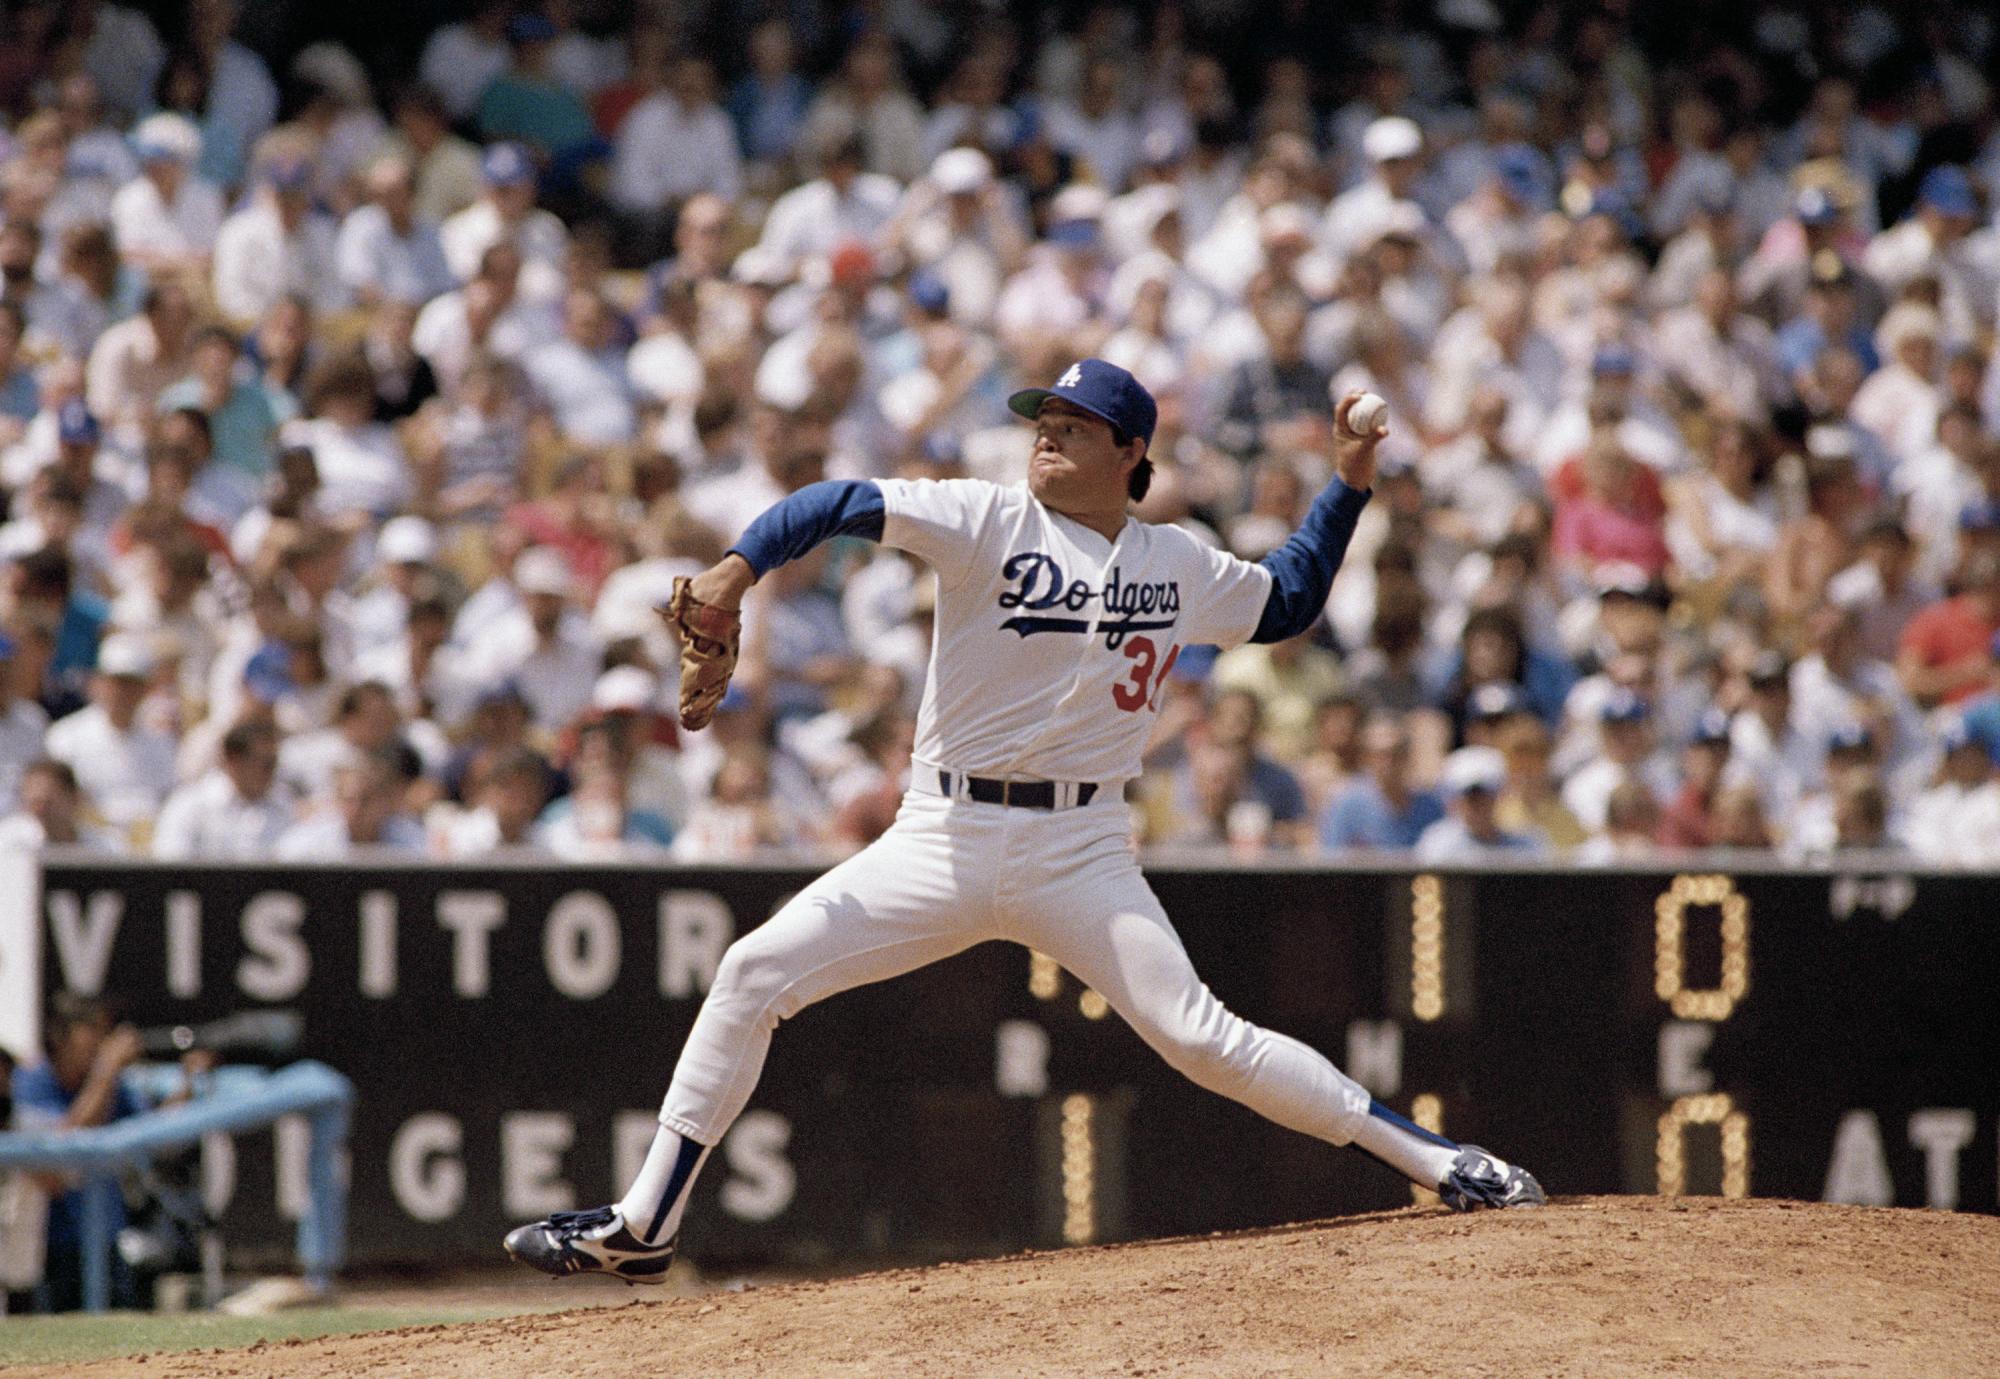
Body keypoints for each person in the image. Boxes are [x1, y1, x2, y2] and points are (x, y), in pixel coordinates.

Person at [503, 360, 1542, 1286]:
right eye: (1041, 416)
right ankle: (645, 1221)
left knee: (1200, 1037)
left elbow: (1287, 600)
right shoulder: (984, 517)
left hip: (1078, 849)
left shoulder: (1174, 561)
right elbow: (837, 500)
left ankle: (1442, 1163)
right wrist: (733, 572)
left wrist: (1348, 477)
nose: (1046, 431)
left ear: (1130, 452)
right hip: (938, 834)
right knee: (751, 972)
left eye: (1074, 423)